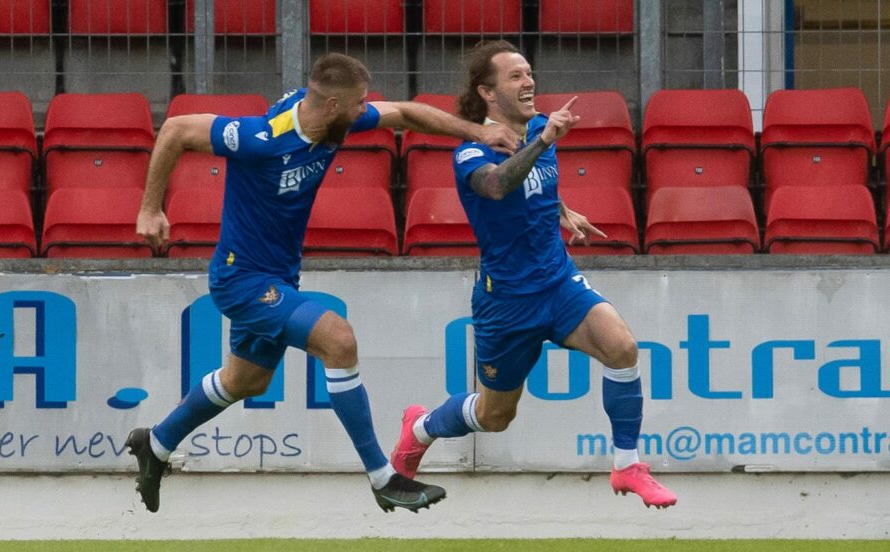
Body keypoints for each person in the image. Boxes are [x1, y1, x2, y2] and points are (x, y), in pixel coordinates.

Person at [127, 52, 519, 514]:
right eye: (357, 106)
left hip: (278, 276)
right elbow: (175, 129)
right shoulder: (259, 138)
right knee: (338, 339)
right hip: (241, 279)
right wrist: (150, 208)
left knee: (244, 381)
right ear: (333, 105)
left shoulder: (334, 120)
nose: (364, 113)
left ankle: (156, 443)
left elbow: (405, 112)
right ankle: (383, 477)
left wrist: (479, 132)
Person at [390, 40, 677, 509]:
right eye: (516, 77)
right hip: (506, 301)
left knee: (623, 349)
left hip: (558, 282)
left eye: (529, 74)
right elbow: (498, 186)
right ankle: (420, 428)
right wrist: (543, 142)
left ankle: (628, 466)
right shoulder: (469, 153)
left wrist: (562, 210)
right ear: (486, 92)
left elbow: (538, 182)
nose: (529, 83)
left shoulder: (540, 127)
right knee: (494, 414)